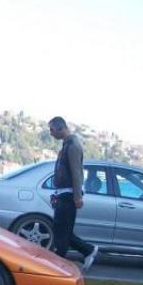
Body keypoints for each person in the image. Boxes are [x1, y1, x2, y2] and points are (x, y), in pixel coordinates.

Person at [48, 116, 99, 271]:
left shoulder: (72, 146)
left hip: (69, 195)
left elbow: (77, 173)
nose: (50, 134)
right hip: (65, 193)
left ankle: (60, 264)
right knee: (62, 230)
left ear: (60, 128)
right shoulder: (67, 144)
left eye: (51, 130)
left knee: (61, 230)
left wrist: (77, 197)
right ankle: (87, 250)